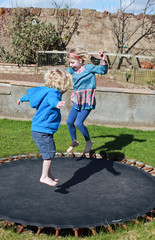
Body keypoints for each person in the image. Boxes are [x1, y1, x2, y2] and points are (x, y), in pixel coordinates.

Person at [18, 68, 72, 187]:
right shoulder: (54, 93)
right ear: (61, 85)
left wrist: (21, 99)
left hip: (39, 128)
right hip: (42, 129)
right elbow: (52, 100)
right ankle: (44, 177)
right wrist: (57, 103)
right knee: (49, 153)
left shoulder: (43, 90)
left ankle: (48, 174)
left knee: (49, 152)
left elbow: (30, 96)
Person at [66, 47, 108, 154]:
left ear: (80, 60)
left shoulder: (89, 68)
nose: (70, 65)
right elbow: (62, 74)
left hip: (87, 100)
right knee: (69, 122)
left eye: (72, 62)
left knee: (79, 123)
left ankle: (89, 141)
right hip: (77, 100)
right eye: (69, 63)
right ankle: (74, 141)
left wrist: (103, 60)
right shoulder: (72, 70)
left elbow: (103, 71)